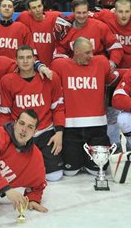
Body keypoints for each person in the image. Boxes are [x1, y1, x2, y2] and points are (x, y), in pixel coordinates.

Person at [51, 37, 119, 176]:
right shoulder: (60, 65)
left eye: (92, 52)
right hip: (71, 128)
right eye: (87, 53)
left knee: (96, 171)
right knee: (70, 171)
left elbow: (113, 77)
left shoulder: (101, 62)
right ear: (76, 52)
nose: (91, 56)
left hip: (97, 128)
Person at [0, 46, 65, 181]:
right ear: (16, 60)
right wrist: (6, 139)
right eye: (21, 58)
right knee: (13, 176)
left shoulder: (50, 78)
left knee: (54, 176)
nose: (25, 61)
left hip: (44, 131)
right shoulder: (7, 81)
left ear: (34, 60)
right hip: (20, 134)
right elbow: (4, 114)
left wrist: (59, 133)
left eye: (28, 57)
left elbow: (58, 108)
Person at [55, 0, 124, 69]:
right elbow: (60, 52)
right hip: (75, 70)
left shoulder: (99, 27)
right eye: (78, 13)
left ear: (88, 12)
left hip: (97, 67)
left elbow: (115, 46)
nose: (82, 16)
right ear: (73, 12)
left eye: (84, 12)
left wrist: (113, 62)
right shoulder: (66, 30)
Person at [92, 0, 131, 68]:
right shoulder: (106, 15)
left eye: (127, 11)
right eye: (120, 11)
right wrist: (72, 19)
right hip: (115, 65)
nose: (124, 15)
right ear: (115, 12)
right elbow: (85, 15)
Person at [16, 0, 63, 65]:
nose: (38, 10)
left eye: (39, 6)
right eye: (34, 8)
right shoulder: (24, 17)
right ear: (29, 11)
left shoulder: (55, 16)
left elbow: (74, 17)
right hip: (33, 65)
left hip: (52, 63)